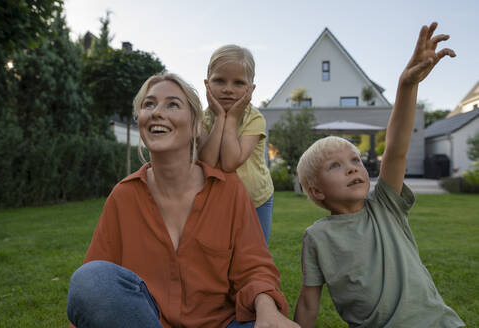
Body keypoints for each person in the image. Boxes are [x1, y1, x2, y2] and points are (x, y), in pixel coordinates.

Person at [67, 73, 300, 328]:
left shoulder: (228, 189)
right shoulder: (123, 196)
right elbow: (96, 290)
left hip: (221, 325)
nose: (157, 112)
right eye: (149, 104)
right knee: (89, 278)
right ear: (140, 121)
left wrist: (267, 310)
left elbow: (255, 268)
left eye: (172, 104)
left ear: (196, 127)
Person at [294, 22, 465, 327]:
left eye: (355, 160)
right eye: (334, 166)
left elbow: (397, 148)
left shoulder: (385, 206)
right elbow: (308, 301)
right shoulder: (317, 238)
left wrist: (407, 85)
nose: (351, 167)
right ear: (316, 190)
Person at [199, 45, 274, 243]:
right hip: (217, 200)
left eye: (239, 83)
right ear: (207, 84)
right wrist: (219, 119)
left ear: (250, 89)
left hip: (256, 200)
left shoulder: (255, 118)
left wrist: (230, 118)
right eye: (219, 80)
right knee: (220, 255)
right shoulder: (201, 119)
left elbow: (230, 162)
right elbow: (207, 160)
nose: (228, 89)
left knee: (254, 259)